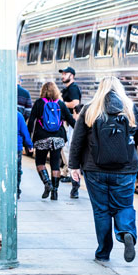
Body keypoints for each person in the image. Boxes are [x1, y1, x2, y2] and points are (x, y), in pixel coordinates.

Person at [69, 76, 138, 263]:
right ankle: (127, 233)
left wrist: (73, 166)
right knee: (124, 206)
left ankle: (103, 252)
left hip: (95, 170)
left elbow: (77, 140)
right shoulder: (129, 107)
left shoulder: (90, 109)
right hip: (125, 169)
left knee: (101, 210)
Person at [27, 81, 75, 201]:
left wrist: (28, 140)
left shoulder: (38, 103)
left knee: (40, 162)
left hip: (42, 137)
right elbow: (70, 119)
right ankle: (55, 191)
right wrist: (83, 132)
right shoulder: (61, 104)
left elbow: (31, 121)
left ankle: (47, 183)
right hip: (58, 138)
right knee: (55, 164)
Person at [59, 67, 82, 197]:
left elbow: (75, 103)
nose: (63, 76)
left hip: (70, 122)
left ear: (72, 75)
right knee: (65, 147)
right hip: (67, 122)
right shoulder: (68, 88)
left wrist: (62, 103)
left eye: (65, 73)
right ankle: (67, 171)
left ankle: (70, 174)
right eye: (62, 74)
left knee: (68, 148)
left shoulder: (73, 88)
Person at [17, 111, 34, 200]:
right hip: (16, 147)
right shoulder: (18, 115)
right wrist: (29, 145)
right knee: (17, 169)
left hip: (3, 147)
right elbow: (24, 131)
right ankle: (16, 190)